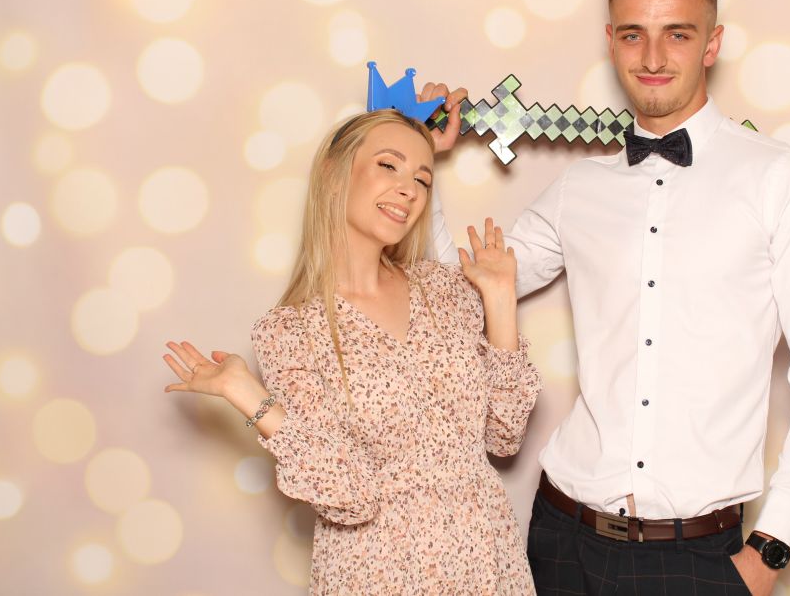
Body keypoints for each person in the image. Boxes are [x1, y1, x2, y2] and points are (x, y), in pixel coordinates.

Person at [426, 0, 790, 596]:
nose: (653, 57)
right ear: (611, 41)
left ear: (712, 43)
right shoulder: (578, 189)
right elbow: (450, 297)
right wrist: (420, 158)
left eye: (677, 34)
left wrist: (769, 550)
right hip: (560, 535)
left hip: (698, 556)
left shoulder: (782, 180)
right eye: (633, 35)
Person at [160, 109, 541, 595]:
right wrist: (247, 394)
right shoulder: (290, 332)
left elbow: (504, 437)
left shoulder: (445, 290)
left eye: (422, 180)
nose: (409, 190)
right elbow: (350, 496)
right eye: (389, 165)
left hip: (488, 565)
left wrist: (501, 299)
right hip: (378, 574)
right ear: (334, 173)